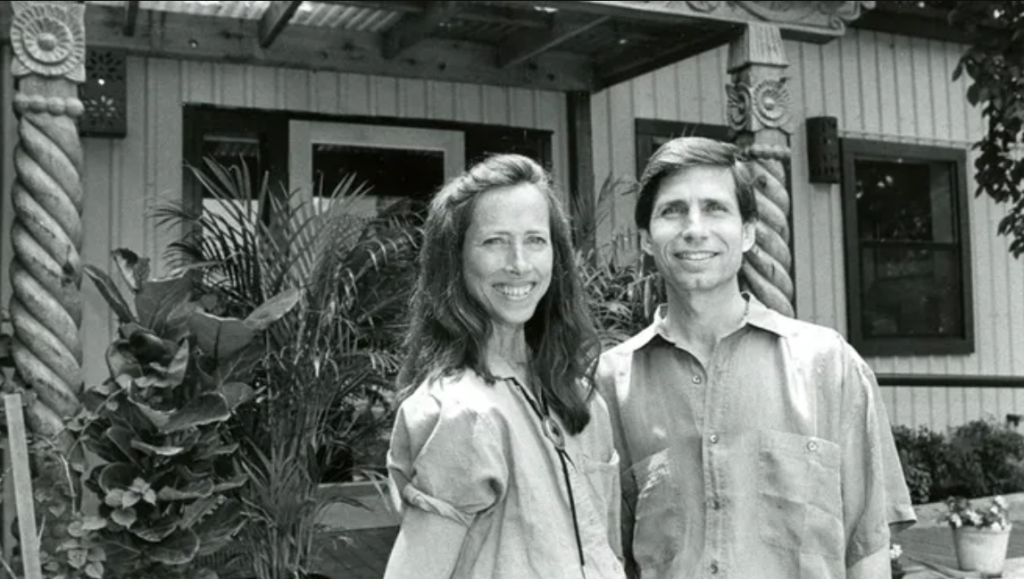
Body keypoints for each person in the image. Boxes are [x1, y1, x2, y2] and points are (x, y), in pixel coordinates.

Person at [597, 137, 916, 579]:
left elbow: (867, 548)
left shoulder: (830, 366)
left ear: (747, 232)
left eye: (715, 208)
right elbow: (602, 556)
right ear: (647, 239)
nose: (694, 228)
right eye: (673, 211)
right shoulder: (610, 385)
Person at [384, 154, 626, 579]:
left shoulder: (580, 398)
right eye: (494, 241)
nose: (519, 263)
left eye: (535, 240)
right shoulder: (459, 413)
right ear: (455, 260)